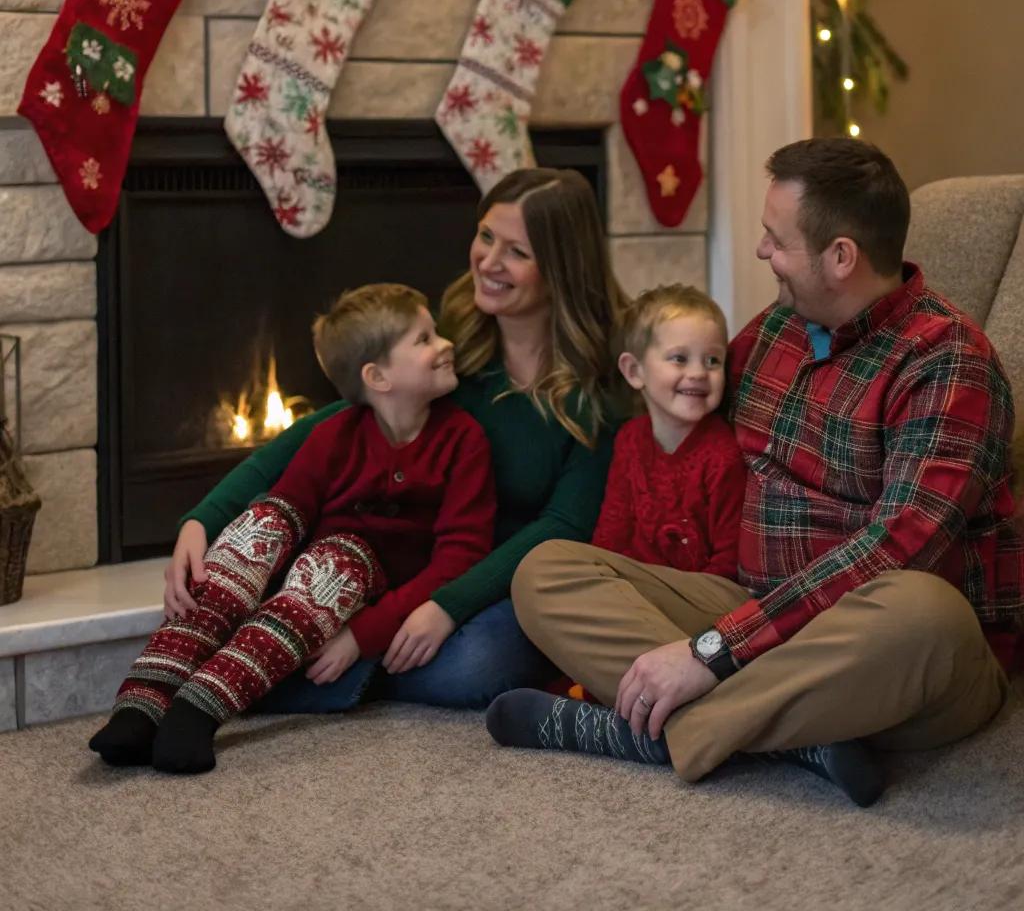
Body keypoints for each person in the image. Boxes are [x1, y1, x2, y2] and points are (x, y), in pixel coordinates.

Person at [488, 139, 1024, 807]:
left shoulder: (946, 364)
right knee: (547, 572)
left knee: (924, 613)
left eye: (777, 239)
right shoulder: (775, 331)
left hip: (886, 646)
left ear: (840, 258)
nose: (762, 252)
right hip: (755, 613)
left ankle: (648, 727)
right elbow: (679, 415)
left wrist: (712, 653)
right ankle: (793, 733)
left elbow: (894, 553)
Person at [160, 167, 624, 715]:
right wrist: (204, 518)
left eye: (516, 252)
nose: (488, 262)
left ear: (561, 269)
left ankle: (293, 670)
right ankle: (293, 663)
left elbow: (562, 527)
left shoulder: (601, 385)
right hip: (407, 558)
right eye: (485, 236)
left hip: (504, 581)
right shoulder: (453, 332)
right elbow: (336, 421)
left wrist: (445, 606)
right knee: (295, 572)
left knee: (478, 666)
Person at [89, 283, 495, 772]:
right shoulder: (335, 434)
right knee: (264, 522)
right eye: (424, 339)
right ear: (378, 377)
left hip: (361, 581)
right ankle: (143, 698)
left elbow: (460, 556)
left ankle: (201, 705)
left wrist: (362, 637)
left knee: (340, 560)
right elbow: (287, 504)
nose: (446, 344)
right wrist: (215, 533)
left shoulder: (463, 440)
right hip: (304, 577)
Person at [591, 283, 746, 576]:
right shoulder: (630, 439)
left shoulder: (722, 456)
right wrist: (600, 576)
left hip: (700, 594)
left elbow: (729, 564)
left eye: (713, 360)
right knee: (547, 565)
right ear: (635, 372)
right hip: (631, 587)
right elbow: (612, 531)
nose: (699, 373)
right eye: (679, 358)